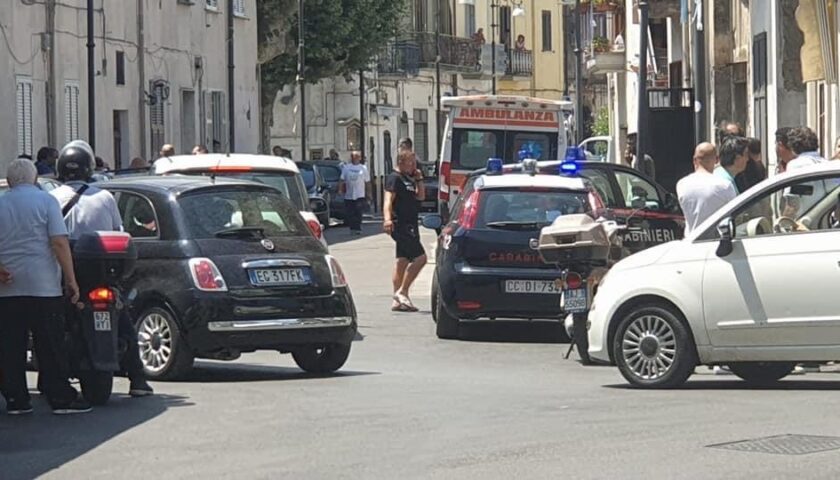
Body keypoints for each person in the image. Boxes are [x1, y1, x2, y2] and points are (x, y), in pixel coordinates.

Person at [51, 143, 155, 397]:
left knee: (54, 322)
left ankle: (53, 376)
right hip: (103, 272)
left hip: (67, 273)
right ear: (89, 168)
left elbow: (52, 239)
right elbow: (118, 232)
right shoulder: (105, 197)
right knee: (122, 318)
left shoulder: (52, 198)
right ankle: (138, 378)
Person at [0, 159, 91, 415]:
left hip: (7, 287)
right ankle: (59, 395)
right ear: (34, 179)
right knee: (49, 343)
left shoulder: (1, 203)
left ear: (9, 181)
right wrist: (71, 280)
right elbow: (59, 242)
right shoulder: (46, 201)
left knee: (11, 344)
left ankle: (16, 398)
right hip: (43, 284)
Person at [384, 150, 427, 312]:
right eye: (411, 163)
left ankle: (398, 299)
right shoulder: (394, 178)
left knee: (402, 260)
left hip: (411, 223)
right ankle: (402, 291)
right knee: (420, 258)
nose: (414, 166)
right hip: (401, 224)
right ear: (401, 162)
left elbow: (420, 197)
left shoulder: (409, 178)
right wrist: (387, 219)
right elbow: (388, 200)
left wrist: (419, 179)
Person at [676, 143, 737, 236]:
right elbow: (735, 215)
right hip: (718, 243)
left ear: (694, 160)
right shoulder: (725, 186)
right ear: (717, 160)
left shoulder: (681, 184)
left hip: (691, 241)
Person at [339, 151, 371, 235]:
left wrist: (368, 194)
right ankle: (352, 228)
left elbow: (367, 182)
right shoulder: (346, 168)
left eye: (357, 157)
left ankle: (357, 228)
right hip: (349, 195)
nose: (355, 158)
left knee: (358, 211)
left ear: (360, 158)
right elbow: (342, 180)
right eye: (353, 157)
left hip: (360, 194)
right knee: (350, 212)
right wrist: (340, 189)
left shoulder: (363, 168)